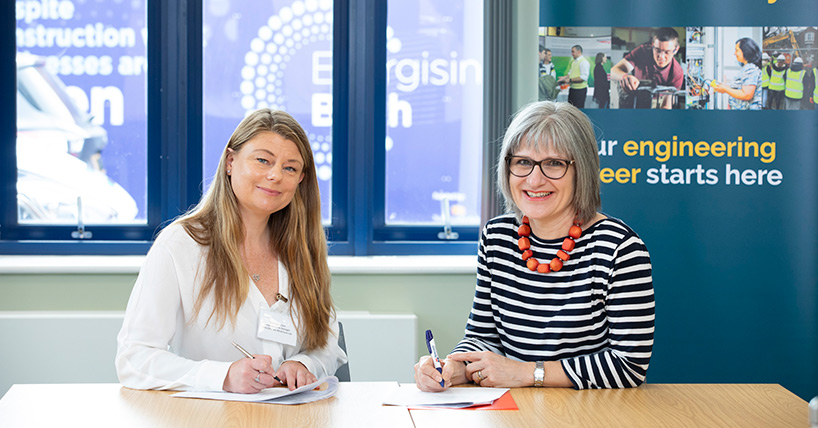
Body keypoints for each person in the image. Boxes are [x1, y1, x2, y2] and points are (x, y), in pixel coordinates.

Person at [413, 101, 654, 391]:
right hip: (516, 408)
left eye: (554, 163)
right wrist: (453, 367)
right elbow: (483, 337)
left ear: (583, 170)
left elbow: (629, 366)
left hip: (592, 410)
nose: (535, 179)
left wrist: (528, 373)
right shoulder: (497, 236)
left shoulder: (620, 248)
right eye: (523, 162)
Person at [116, 108, 347, 393]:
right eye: (263, 160)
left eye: (290, 168)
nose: (275, 175)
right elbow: (134, 359)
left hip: (292, 413)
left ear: (300, 180)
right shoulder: (180, 245)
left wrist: (303, 364)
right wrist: (222, 376)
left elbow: (326, 343)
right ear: (230, 161)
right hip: (211, 414)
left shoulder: (302, 248)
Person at [611, 27, 684, 109]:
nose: (661, 56)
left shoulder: (677, 73)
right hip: (635, 99)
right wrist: (624, 77)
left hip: (658, 102)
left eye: (667, 52)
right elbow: (614, 71)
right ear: (652, 45)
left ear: (676, 49)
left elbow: (666, 105)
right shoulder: (642, 52)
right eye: (657, 50)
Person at [712, 38, 763, 110]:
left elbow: (747, 95)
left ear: (745, 51)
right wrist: (725, 87)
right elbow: (741, 89)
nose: (734, 53)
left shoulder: (750, 69)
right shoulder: (747, 67)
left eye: (737, 50)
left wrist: (725, 89)